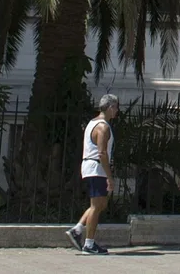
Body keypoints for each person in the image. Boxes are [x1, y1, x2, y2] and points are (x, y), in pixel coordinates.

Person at [68, 94, 120, 254]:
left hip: (91, 167)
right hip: (97, 168)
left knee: (99, 205)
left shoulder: (92, 123)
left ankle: (77, 230)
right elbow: (102, 152)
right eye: (116, 107)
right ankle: (89, 244)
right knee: (97, 206)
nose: (117, 111)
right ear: (110, 107)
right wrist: (109, 177)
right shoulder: (103, 127)